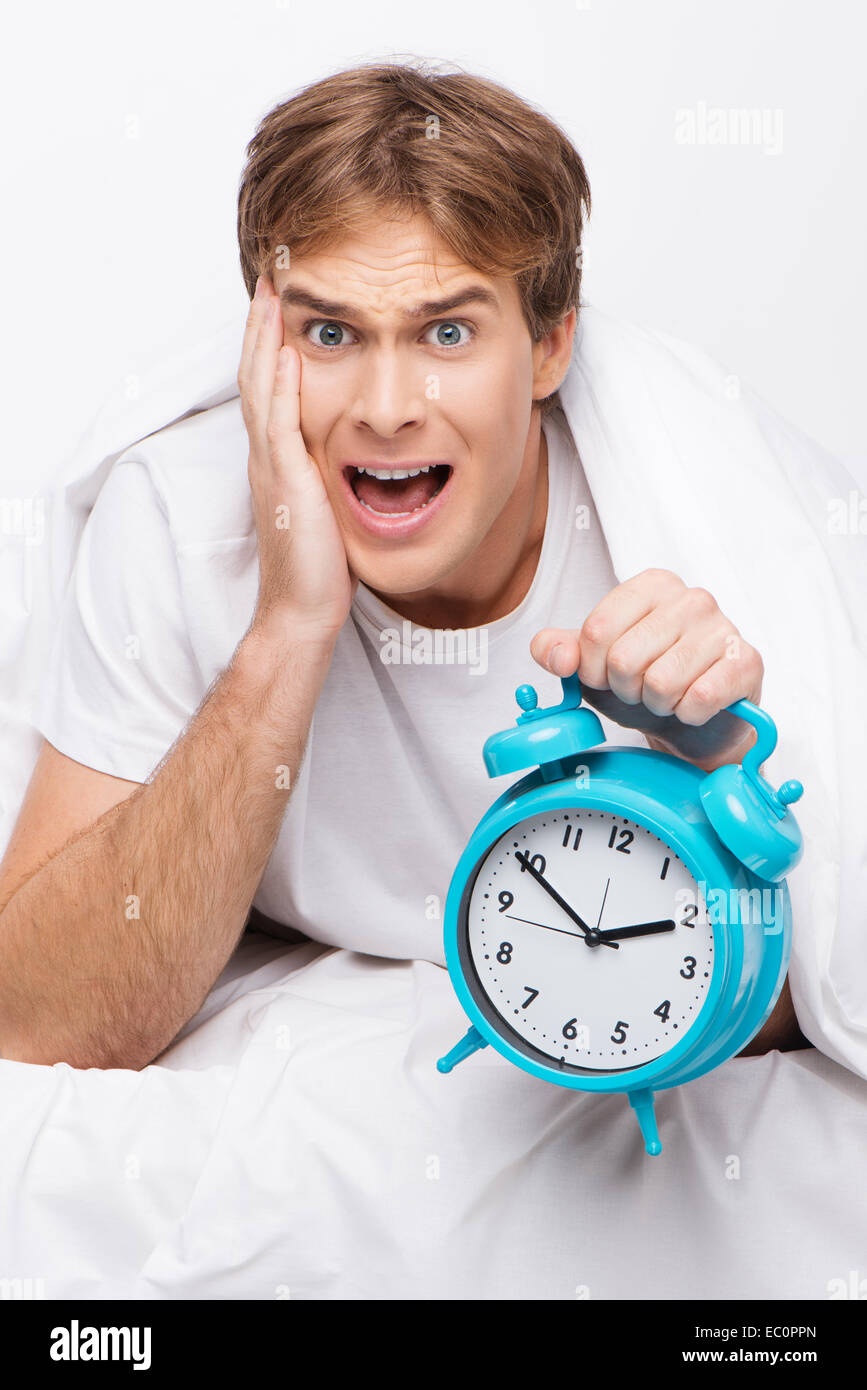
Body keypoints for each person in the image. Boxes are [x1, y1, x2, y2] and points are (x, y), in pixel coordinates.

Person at [0, 60, 808, 1069]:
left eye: (448, 331)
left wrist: (715, 777)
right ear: (264, 342)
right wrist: (289, 627)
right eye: (330, 332)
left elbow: (819, 999)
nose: (386, 407)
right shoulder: (177, 521)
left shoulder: (697, 535)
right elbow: (38, 1025)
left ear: (552, 346)